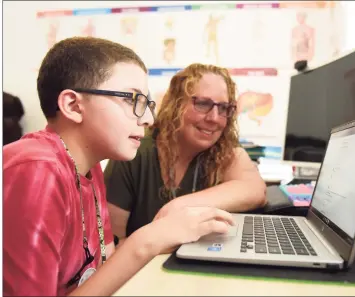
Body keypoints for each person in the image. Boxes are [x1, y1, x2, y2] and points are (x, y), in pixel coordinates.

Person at [3, 37, 235, 296]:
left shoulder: (89, 169)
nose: (148, 119)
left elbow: (100, 271)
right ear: (73, 105)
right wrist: (148, 241)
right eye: (132, 100)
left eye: (147, 105)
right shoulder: (36, 170)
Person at [104, 63, 267, 247]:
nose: (214, 118)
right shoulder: (135, 152)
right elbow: (110, 245)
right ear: (176, 104)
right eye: (203, 104)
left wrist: (180, 206)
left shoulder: (222, 150)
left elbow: (255, 190)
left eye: (223, 108)